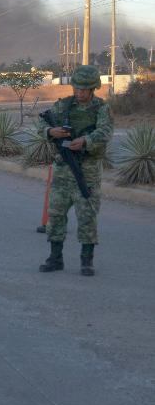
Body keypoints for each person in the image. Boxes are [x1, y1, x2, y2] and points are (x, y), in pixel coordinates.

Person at [37, 65, 113, 276]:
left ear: (93, 88)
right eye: (77, 88)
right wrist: (50, 131)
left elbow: (105, 132)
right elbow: (39, 121)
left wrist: (85, 141)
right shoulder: (63, 106)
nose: (80, 93)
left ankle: (86, 260)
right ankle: (55, 258)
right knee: (55, 214)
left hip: (87, 170)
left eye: (84, 89)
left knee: (87, 215)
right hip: (62, 169)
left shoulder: (101, 108)